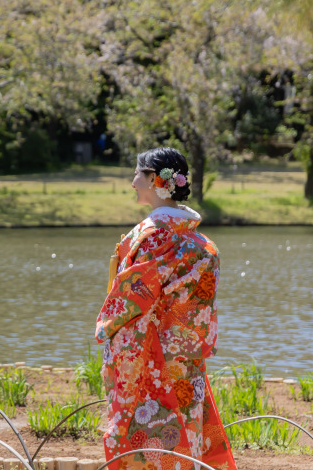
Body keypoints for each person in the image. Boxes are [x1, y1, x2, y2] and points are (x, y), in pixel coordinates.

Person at [94, 147, 237, 470]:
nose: (132, 182)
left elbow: (134, 297)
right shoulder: (203, 244)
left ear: (155, 180)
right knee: (186, 419)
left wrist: (108, 327)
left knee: (145, 425)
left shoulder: (152, 236)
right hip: (186, 347)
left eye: (137, 174)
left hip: (149, 347)